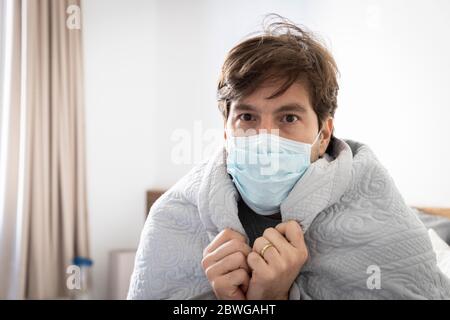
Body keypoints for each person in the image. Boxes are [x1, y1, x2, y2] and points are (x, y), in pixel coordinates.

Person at [127, 15, 450, 300]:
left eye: (289, 118)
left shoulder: (386, 230)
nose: (265, 137)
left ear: (324, 134)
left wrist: (275, 297)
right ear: (226, 133)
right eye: (248, 118)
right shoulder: (172, 218)